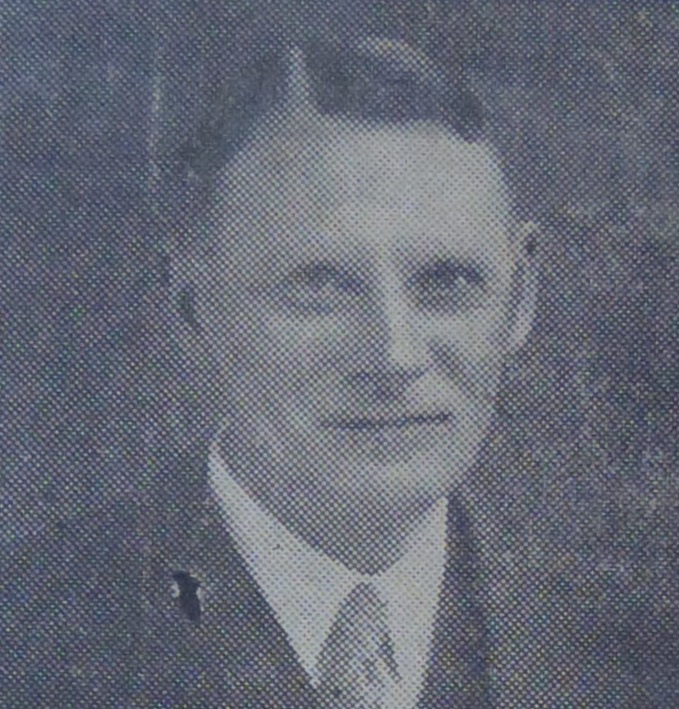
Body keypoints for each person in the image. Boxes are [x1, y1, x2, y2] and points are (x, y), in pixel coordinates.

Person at [1, 33, 667, 708]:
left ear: (519, 298)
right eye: (320, 285)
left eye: (448, 282)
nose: (395, 356)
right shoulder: (29, 631)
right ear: (194, 304)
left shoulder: (637, 654)